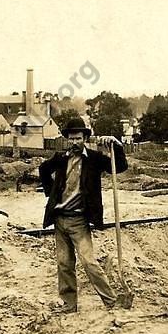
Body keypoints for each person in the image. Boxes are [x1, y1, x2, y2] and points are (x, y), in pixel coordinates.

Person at [39, 117, 128, 313]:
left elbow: (120, 167)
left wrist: (118, 145)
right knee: (64, 264)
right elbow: (43, 169)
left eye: (78, 138)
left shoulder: (94, 160)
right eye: (71, 139)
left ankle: (111, 301)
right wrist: (51, 192)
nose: (74, 142)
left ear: (85, 138)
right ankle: (69, 304)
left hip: (79, 221)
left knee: (89, 262)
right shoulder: (61, 159)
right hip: (60, 219)